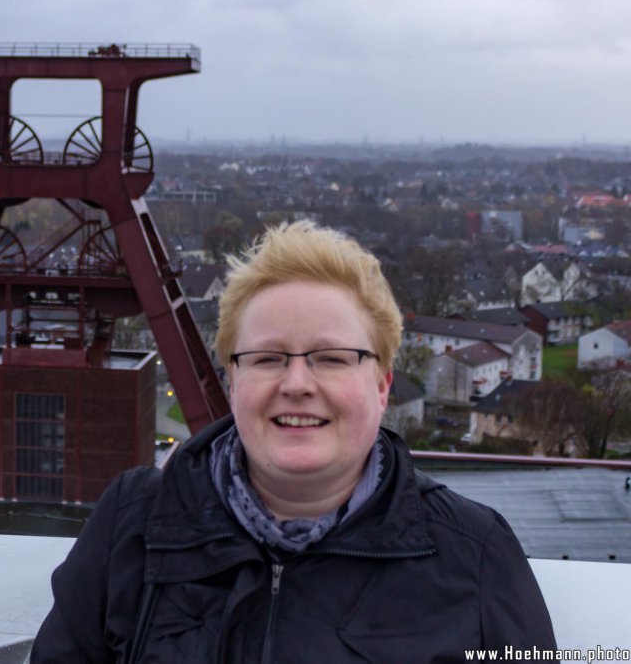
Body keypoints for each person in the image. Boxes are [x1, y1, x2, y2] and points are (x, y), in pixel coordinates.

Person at [32, 221, 557, 663]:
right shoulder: (133, 524)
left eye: (332, 357)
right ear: (233, 382)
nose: (298, 383)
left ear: (381, 385)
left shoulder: (474, 553)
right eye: (268, 358)